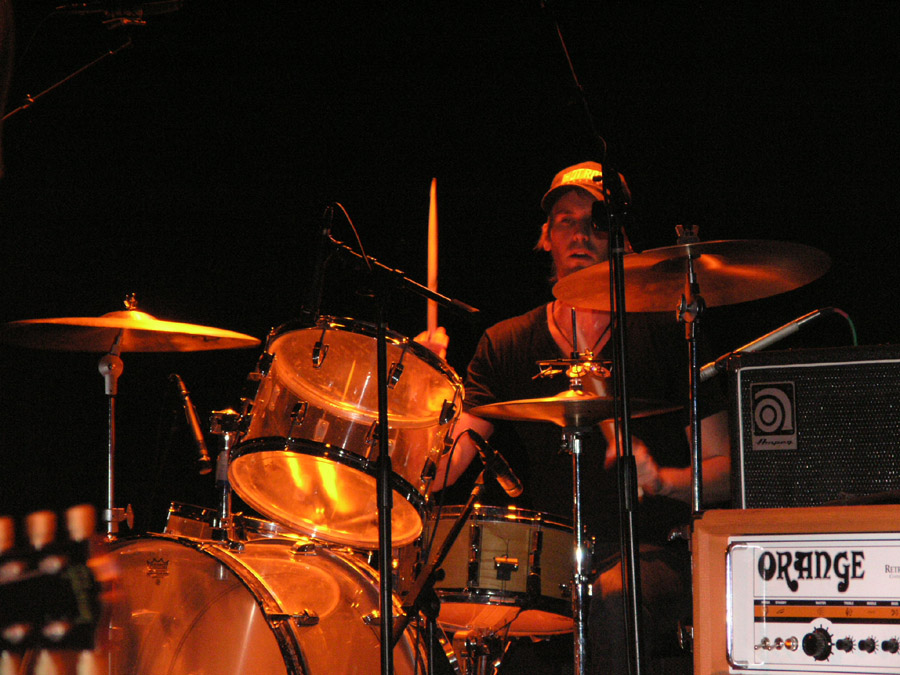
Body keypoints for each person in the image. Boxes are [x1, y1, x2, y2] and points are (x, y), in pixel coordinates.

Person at [425, 161, 731, 674]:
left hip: (654, 552)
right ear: (545, 236)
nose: (581, 234)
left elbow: (726, 471)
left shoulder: (667, 333)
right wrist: (424, 386)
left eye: (597, 222)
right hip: (546, 563)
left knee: (610, 598)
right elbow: (438, 473)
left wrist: (663, 480)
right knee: (450, 613)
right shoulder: (507, 343)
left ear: (621, 239)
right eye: (566, 220)